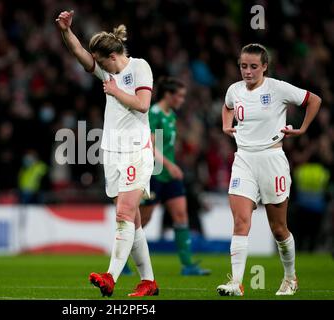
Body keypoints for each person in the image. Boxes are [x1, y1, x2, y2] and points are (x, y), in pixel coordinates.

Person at [56, 10, 158, 297]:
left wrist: (114, 91)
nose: (98, 68)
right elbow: (79, 53)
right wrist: (66, 31)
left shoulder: (139, 68)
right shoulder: (108, 71)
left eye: (101, 63)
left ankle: (110, 276)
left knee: (124, 213)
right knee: (132, 220)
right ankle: (148, 281)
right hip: (111, 152)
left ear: (112, 57)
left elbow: (142, 104)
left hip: (136, 150)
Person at [217, 44, 321, 296]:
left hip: (272, 161)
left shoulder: (277, 88)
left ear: (264, 66)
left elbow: (314, 100)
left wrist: (303, 128)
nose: (248, 72)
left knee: (278, 229)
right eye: (243, 66)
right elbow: (228, 105)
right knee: (241, 222)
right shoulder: (235, 90)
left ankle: (290, 278)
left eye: (253, 66)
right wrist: (226, 124)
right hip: (243, 160)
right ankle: (237, 283)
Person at [134, 76, 211, 276]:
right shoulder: (155, 113)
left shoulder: (171, 115)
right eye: (180, 96)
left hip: (169, 174)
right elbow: (149, 146)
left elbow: (167, 146)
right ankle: (123, 259)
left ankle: (188, 265)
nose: (182, 100)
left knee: (181, 215)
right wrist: (170, 165)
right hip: (154, 174)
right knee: (144, 218)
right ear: (168, 95)